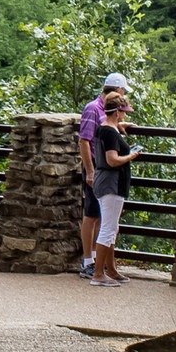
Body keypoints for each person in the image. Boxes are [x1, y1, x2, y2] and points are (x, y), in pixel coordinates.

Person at [78, 72, 130, 278]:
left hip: (101, 169)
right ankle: (88, 262)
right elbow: (84, 140)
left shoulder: (106, 112)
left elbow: (104, 129)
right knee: (91, 215)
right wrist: (89, 170)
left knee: (103, 218)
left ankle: (99, 263)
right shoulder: (92, 109)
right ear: (117, 91)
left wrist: (120, 127)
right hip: (96, 168)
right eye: (123, 91)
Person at [89, 91, 142, 287]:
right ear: (118, 112)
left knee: (112, 227)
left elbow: (110, 134)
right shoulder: (110, 132)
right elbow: (112, 160)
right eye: (123, 112)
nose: (125, 116)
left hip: (106, 181)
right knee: (108, 228)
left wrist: (120, 128)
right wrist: (132, 155)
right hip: (111, 182)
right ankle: (98, 274)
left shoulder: (106, 129)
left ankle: (110, 270)